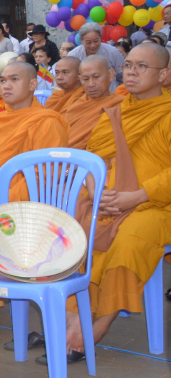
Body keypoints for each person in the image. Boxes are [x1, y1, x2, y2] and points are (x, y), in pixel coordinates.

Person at [55, 43, 171, 365]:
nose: (131, 72)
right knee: (77, 229)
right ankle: (75, 313)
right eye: (129, 65)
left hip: (158, 205)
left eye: (141, 67)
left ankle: (102, 320)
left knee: (130, 238)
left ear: (164, 74)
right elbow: (94, 159)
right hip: (111, 198)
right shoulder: (115, 112)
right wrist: (97, 193)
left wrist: (137, 196)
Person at [0, 62, 68, 201]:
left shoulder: (47, 122)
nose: (6, 86)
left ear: (32, 85)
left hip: (23, 204)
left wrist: (1, 198)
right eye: (2, 81)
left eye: (14, 79)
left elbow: (44, 177)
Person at [64, 55, 124, 149]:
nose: (91, 84)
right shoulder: (76, 106)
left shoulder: (121, 104)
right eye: (85, 79)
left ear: (110, 75)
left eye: (96, 77)